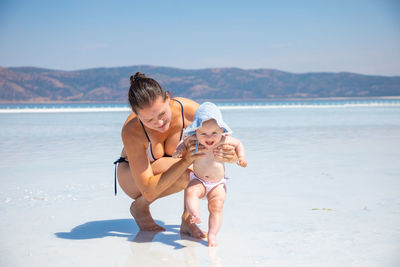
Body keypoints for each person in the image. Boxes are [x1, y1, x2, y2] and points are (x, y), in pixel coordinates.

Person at [114, 72, 238, 238]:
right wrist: (186, 160)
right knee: (191, 168)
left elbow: (221, 143)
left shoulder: (191, 112)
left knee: (201, 160)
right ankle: (140, 206)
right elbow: (149, 190)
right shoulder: (132, 131)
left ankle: (187, 222)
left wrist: (231, 156)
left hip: (171, 167)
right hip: (133, 177)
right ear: (137, 115)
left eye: (162, 114)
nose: (159, 123)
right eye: (149, 121)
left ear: (168, 98)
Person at [173, 102, 247, 246]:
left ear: (221, 130)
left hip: (218, 184)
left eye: (214, 133)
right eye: (203, 133)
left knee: (216, 207)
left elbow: (238, 144)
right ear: (196, 131)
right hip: (199, 179)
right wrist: (178, 150)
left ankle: (212, 235)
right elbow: (183, 142)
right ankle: (195, 214)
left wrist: (241, 158)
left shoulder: (224, 140)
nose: (209, 137)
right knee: (191, 191)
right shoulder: (193, 140)